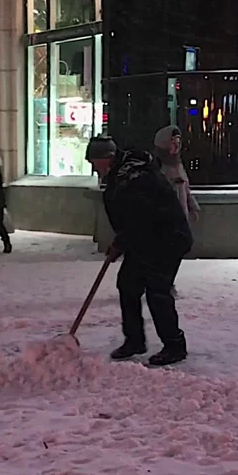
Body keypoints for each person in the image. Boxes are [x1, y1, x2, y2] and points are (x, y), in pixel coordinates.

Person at [85, 135, 193, 366]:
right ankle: (135, 340)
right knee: (128, 284)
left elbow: (141, 217)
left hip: (166, 240)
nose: (93, 167)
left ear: (108, 158)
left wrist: (120, 243)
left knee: (157, 292)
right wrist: (123, 241)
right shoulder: (121, 175)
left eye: (95, 161)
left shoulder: (137, 177)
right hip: (143, 241)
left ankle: (174, 345)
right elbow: (129, 220)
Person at [154, 125, 200, 297]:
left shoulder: (178, 165)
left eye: (178, 142)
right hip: (165, 218)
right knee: (166, 251)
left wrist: (192, 206)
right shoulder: (157, 166)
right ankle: (162, 283)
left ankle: (166, 282)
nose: (176, 146)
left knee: (177, 249)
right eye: (173, 142)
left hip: (180, 216)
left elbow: (186, 189)